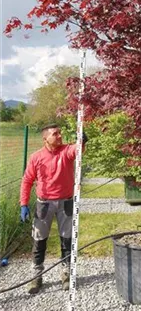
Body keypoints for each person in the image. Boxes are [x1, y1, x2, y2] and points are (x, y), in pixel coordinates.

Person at [20, 123, 87, 294]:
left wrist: (82, 140)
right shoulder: (36, 157)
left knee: (66, 239)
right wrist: (24, 204)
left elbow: (77, 150)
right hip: (44, 204)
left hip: (65, 202)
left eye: (60, 133)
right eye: (55, 134)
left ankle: (66, 274)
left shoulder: (66, 151)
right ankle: (37, 276)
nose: (59, 136)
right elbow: (27, 180)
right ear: (45, 139)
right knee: (39, 240)